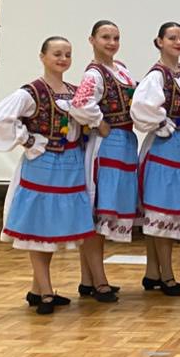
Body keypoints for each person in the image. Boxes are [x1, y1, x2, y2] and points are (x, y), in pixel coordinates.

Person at [0, 36, 95, 314]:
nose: (63, 59)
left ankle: (36, 289)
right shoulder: (31, 92)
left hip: (70, 167)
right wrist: (29, 140)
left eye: (67, 54)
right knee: (39, 227)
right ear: (42, 56)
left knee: (51, 228)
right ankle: (45, 292)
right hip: (43, 167)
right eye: (57, 54)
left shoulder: (74, 92)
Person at [130, 22, 180, 296]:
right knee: (161, 209)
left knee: (166, 210)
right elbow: (140, 106)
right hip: (164, 148)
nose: (178, 42)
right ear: (159, 41)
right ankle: (167, 274)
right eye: (172, 38)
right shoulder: (157, 75)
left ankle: (152, 271)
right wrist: (161, 122)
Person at [69, 20, 137, 303]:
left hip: (124, 143)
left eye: (115, 37)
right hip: (106, 146)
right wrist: (100, 122)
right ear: (92, 40)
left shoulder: (120, 69)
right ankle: (99, 280)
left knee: (104, 212)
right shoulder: (94, 73)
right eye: (105, 37)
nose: (111, 43)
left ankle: (87, 280)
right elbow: (79, 104)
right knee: (97, 211)